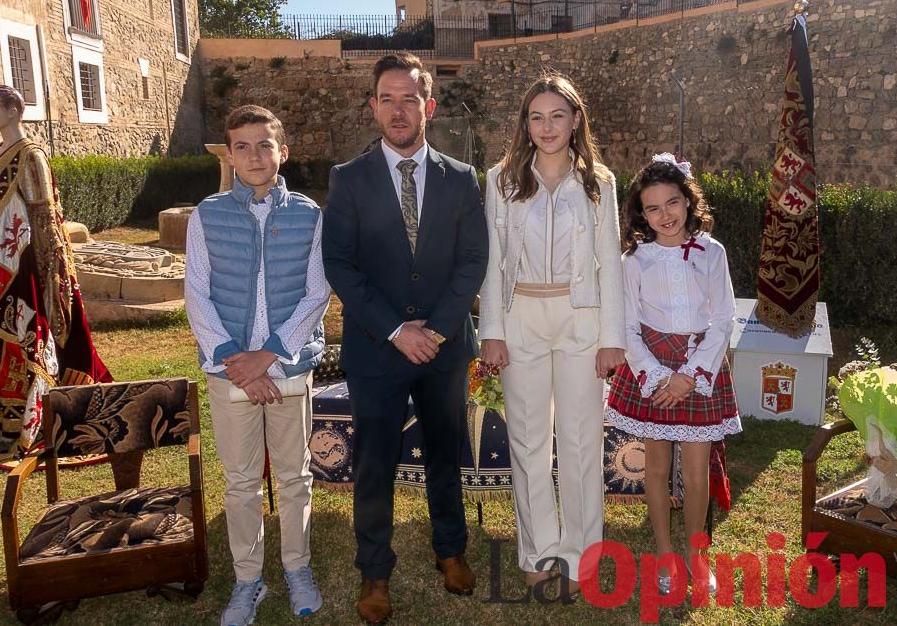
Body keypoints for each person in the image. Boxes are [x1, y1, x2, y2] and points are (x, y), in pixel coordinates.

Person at [321, 52, 487, 625]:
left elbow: (473, 262)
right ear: (372, 107)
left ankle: (451, 550)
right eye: (386, 98)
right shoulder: (347, 180)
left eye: (409, 98)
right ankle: (374, 571)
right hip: (377, 348)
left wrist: (435, 330)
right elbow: (341, 265)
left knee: (446, 451)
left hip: (442, 350)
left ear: (429, 106)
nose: (398, 109)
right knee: (374, 463)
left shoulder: (463, 179)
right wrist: (396, 330)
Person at [477, 74, 625, 594]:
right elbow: (492, 262)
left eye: (557, 116)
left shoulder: (599, 182)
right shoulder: (500, 179)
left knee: (582, 440)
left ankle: (581, 553)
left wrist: (613, 337)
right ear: (525, 124)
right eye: (536, 117)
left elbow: (610, 260)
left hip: (582, 321)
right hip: (521, 322)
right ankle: (538, 551)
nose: (547, 127)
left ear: (576, 120)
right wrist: (490, 330)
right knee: (528, 439)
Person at [185, 105, 330, 626]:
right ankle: (249, 579)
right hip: (229, 371)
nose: (253, 155)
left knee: (294, 476)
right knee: (242, 481)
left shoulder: (310, 215)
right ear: (229, 154)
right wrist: (234, 360)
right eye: (241, 146)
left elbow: (317, 292)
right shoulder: (207, 214)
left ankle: (297, 568)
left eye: (264, 144)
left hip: (288, 366)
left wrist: (269, 355)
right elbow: (197, 294)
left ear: (282, 151)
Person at [0, 85, 114, 468]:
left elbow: (45, 218)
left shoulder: (32, 156)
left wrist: (49, 274)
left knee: (15, 340)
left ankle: (23, 419)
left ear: (15, 111)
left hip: (17, 270)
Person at [605, 154, 741, 596]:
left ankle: (697, 558)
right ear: (641, 214)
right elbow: (627, 326)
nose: (665, 215)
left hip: (699, 366)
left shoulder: (712, 252)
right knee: (658, 468)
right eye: (653, 208)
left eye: (673, 203)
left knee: (698, 474)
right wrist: (656, 375)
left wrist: (689, 375)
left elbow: (723, 318)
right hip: (652, 367)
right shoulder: (634, 261)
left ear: (688, 201)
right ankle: (665, 554)